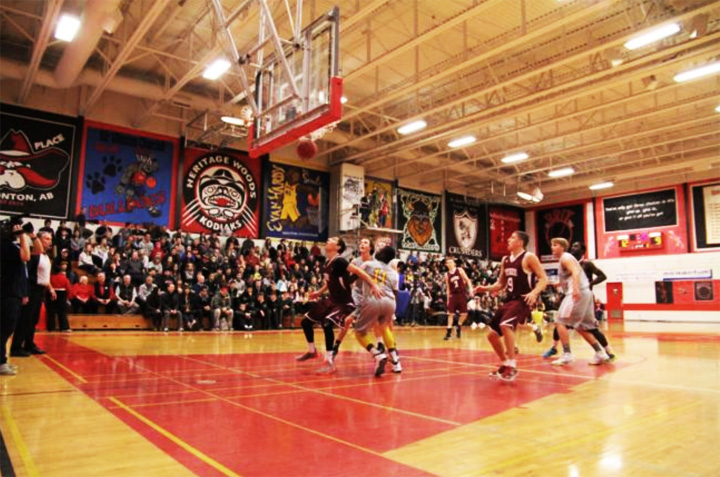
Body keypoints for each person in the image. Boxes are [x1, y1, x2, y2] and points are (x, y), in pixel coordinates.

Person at [295, 237, 382, 373]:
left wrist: (374, 285)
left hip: (344, 302)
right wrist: (318, 292)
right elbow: (330, 282)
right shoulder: (328, 262)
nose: (328, 240)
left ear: (338, 247)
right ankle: (312, 351)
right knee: (306, 322)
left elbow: (359, 272)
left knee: (328, 324)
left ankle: (329, 362)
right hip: (331, 300)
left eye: (333, 240)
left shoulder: (340, 261)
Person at [473, 231, 547, 382]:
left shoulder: (529, 257)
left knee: (506, 325)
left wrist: (534, 293)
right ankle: (505, 363)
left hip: (523, 299)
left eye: (512, 237)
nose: (508, 239)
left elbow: (544, 278)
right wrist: (484, 289)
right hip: (509, 300)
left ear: (520, 242)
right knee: (492, 334)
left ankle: (512, 366)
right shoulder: (505, 259)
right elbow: (500, 284)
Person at [543, 241, 615, 361]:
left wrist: (576, 288)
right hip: (585, 293)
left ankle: (567, 353)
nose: (552, 247)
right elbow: (572, 275)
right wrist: (559, 283)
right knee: (582, 326)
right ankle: (601, 353)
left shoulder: (566, 258)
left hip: (577, 293)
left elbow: (576, 273)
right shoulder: (570, 259)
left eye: (555, 245)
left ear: (562, 247)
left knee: (560, 321)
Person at [354, 246, 402, 377]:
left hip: (374, 299)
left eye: (380, 251)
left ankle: (377, 354)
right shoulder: (394, 273)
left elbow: (354, 277)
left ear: (380, 255)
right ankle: (396, 362)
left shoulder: (368, 264)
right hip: (390, 302)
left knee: (359, 332)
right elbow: (395, 291)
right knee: (384, 328)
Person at [12, 230, 56, 357]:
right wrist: (25, 292)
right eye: (47, 239)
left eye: (50, 239)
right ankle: (16, 347)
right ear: (39, 240)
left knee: (33, 320)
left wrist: (50, 288)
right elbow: (25, 275)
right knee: (25, 319)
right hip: (31, 289)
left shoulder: (46, 256)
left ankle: (29, 344)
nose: (50, 241)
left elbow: (44, 276)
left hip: (40, 290)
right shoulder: (34, 255)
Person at [0, 220, 31, 375]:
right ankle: (0, 363)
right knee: (5, 328)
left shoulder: (10, 247)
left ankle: (2, 360)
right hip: (8, 293)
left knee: (7, 328)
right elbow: (26, 256)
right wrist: (23, 237)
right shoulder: (6, 247)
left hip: (13, 292)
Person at [443, 257, 472, 340]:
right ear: (446, 265)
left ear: (454, 263)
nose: (450, 264)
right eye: (448, 263)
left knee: (464, 314)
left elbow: (467, 280)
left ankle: (458, 325)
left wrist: (470, 289)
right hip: (453, 295)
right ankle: (448, 332)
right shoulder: (446, 275)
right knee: (450, 314)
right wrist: (448, 299)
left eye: (451, 262)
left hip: (461, 294)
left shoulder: (459, 270)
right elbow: (448, 288)